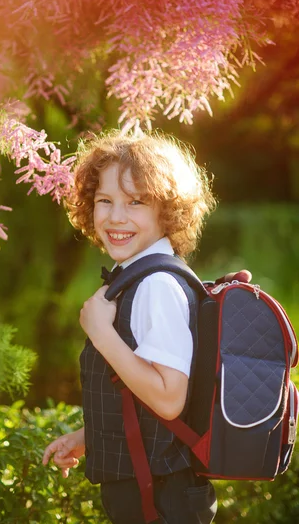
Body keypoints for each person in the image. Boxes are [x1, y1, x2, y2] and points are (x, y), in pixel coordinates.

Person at [42, 130, 251, 524]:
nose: (115, 217)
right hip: (151, 489)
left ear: (167, 211)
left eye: (136, 202)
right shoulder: (139, 276)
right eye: (104, 200)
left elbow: (169, 399)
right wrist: (91, 439)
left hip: (161, 498)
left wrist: (102, 335)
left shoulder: (156, 285)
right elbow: (146, 401)